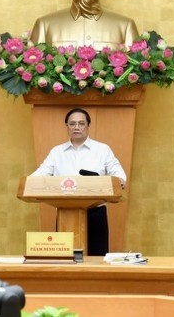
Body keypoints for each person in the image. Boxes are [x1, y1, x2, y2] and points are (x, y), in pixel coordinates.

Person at [31, 107, 127, 256]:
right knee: (65, 261)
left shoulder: (102, 150)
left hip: (95, 213)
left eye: (81, 123)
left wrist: (119, 180)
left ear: (88, 126)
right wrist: (29, 183)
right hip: (65, 213)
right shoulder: (57, 152)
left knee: (97, 260)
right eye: (72, 124)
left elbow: (117, 172)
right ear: (67, 127)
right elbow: (40, 174)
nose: (77, 127)